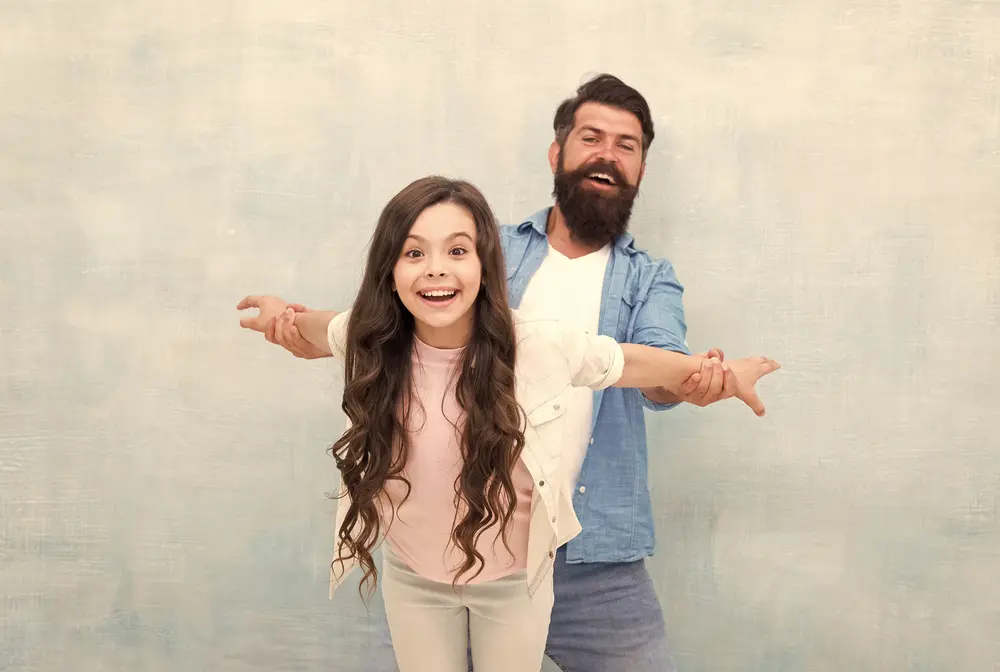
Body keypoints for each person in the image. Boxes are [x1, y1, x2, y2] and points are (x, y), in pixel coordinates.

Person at [250, 75, 773, 671]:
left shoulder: (648, 279)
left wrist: (711, 378)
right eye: (591, 137)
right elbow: (367, 324)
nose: (607, 153)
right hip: (450, 544)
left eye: (626, 145)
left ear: (641, 169)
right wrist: (291, 321)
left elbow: (648, 369)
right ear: (558, 154)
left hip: (594, 552)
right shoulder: (482, 247)